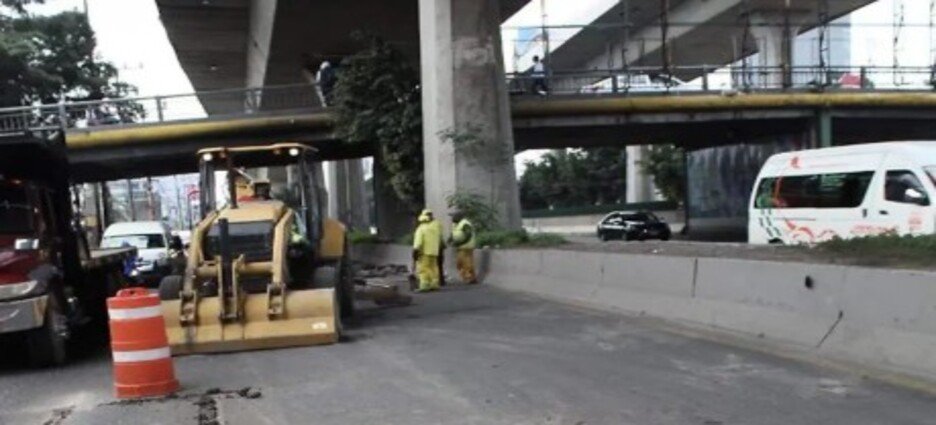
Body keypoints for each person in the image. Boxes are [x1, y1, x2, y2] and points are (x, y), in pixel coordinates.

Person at [412, 209, 442, 292]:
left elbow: (418, 242)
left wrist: (415, 250)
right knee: (434, 268)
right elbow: (440, 238)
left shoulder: (421, 229)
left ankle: (424, 285)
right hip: (434, 252)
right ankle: (434, 284)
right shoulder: (436, 227)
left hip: (424, 252)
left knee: (423, 269)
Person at [449, 210, 477, 284]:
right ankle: (469, 277)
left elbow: (468, 235)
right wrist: (450, 240)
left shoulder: (465, 224)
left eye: (453, 216)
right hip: (461, 247)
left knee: (466, 263)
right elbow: (453, 234)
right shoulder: (456, 224)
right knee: (460, 263)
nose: (452, 218)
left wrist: (460, 242)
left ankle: (470, 277)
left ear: (459, 217)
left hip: (466, 246)